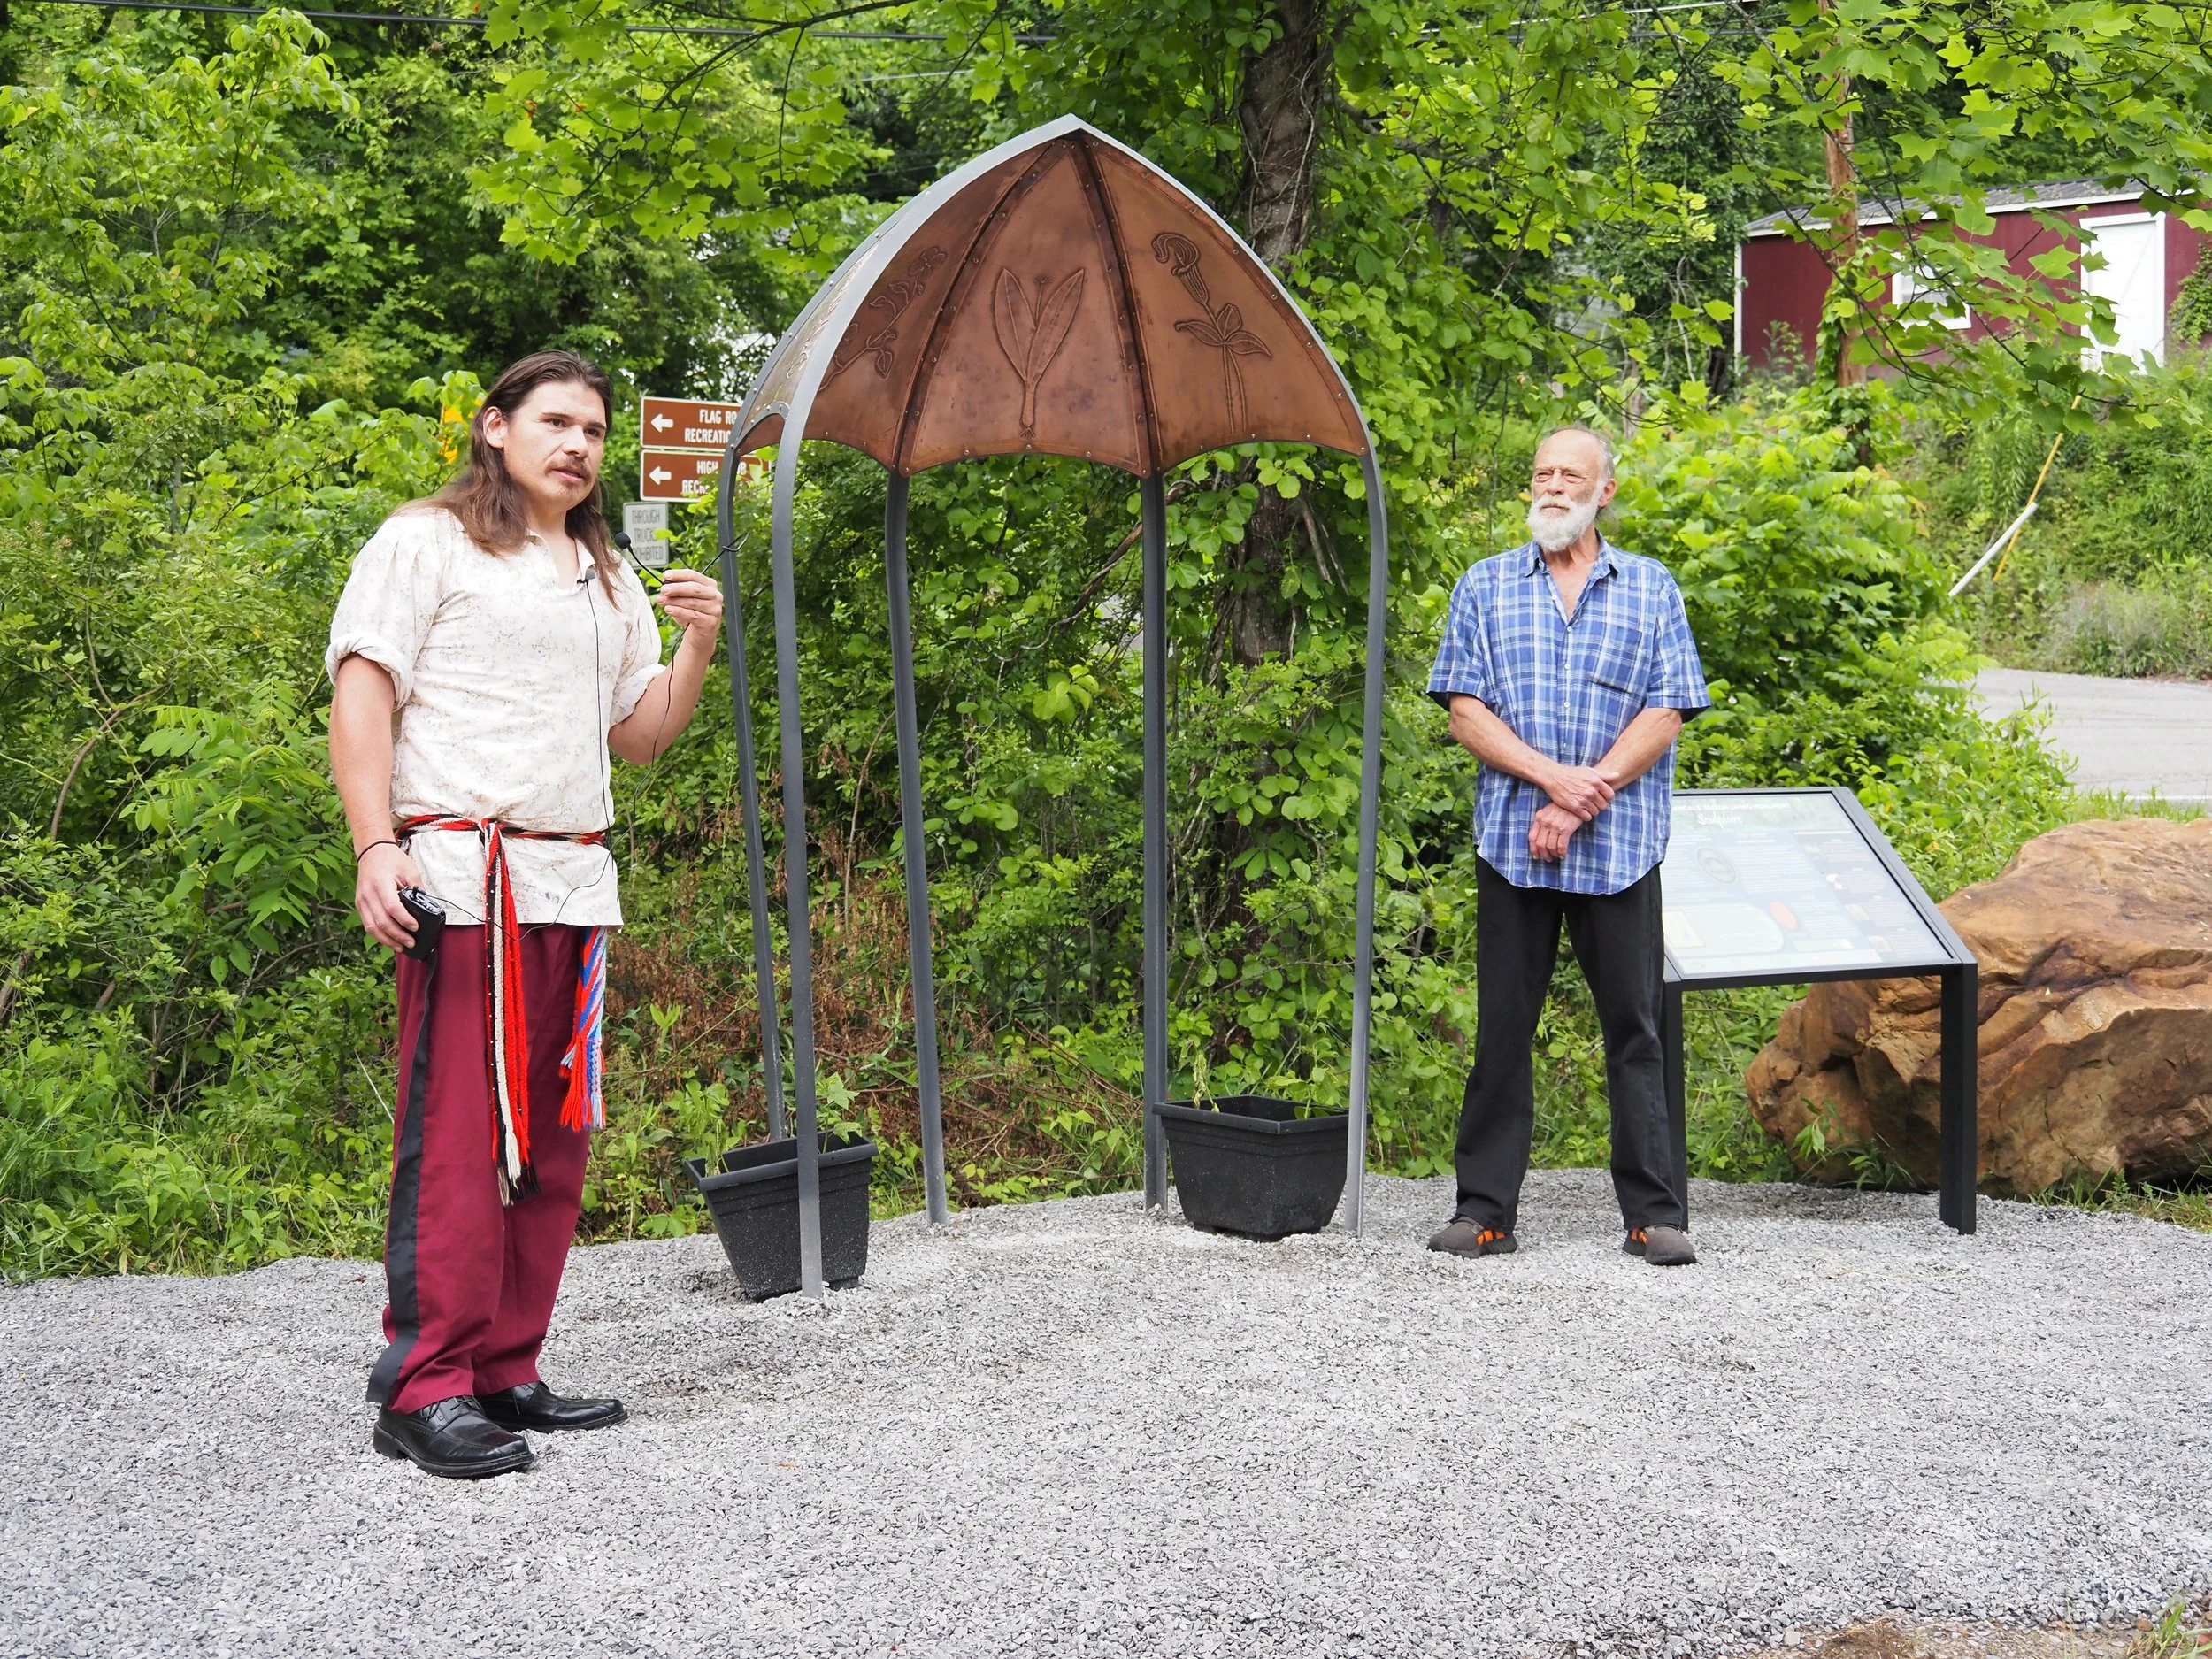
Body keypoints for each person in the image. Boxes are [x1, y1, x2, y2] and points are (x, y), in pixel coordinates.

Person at [327, 350, 725, 1477]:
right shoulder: (426, 539)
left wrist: (696, 642)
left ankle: (505, 1365)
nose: (580, 446)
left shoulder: (603, 574)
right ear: (495, 429)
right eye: (556, 422)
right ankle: (422, 1386)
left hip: (568, 884)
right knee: (457, 1140)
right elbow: (363, 693)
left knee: (550, 1143)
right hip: (460, 879)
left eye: (595, 431)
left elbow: (639, 737)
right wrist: (376, 849)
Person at [1424, 424, 1709, 1267]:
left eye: (1569, 474)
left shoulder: (1652, 589)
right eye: (1541, 474)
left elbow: (1668, 709)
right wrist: (1555, 781)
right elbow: (1464, 710)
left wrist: (1589, 797)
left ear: (1604, 490)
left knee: (1636, 1027)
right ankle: (1484, 1210)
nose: (1551, 486)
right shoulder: (1483, 587)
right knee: (1503, 1028)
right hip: (1515, 845)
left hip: (1619, 847)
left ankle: (1653, 1214)